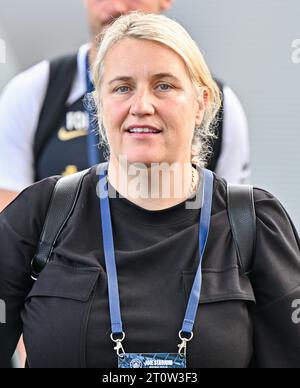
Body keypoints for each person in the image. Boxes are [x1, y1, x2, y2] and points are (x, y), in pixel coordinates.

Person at [0, 13, 299, 369]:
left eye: (164, 85)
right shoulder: (40, 215)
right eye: (122, 87)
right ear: (98, 103)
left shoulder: (253, 224)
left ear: (202, 101)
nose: (141, 106)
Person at [0, 0, 250, 213]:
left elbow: (231, 224)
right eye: (122, 89)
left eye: (163, 86)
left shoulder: (221, 103)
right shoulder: (33, 91)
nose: (117, 5)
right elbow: (12, 231)